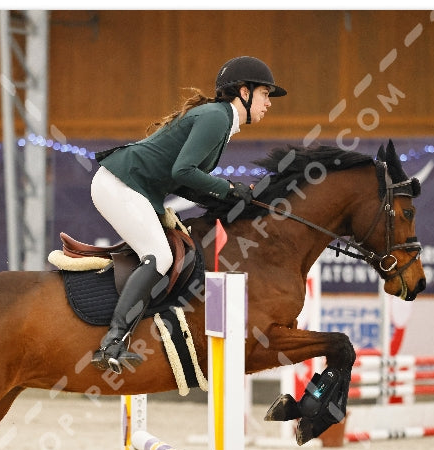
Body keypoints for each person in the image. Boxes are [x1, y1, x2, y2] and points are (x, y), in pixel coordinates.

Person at [90, 56, 287, 374]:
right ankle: (112, 341)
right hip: (119, 183)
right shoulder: (216, 117)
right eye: (265, 93)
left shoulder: (220, 121)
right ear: (244, 92)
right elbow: (183, 171)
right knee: (159, 256)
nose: (269, 103)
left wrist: (231, 199)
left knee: (162, 253)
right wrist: (228, 189)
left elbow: (184, 181)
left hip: (129, 185)